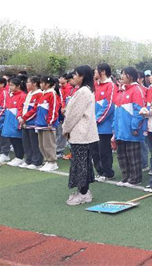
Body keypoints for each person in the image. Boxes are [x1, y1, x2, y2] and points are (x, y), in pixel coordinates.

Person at [62, 65, 100, 206]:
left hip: (80, 133)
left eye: (75, 74)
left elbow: (74, 115)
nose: (73, 77)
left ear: (82, 76)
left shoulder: (83, 92)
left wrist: (65, 129)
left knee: (80, 164)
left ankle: (83, 193)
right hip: (83, 133)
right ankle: (84, 191)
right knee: (83, 163)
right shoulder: (85, 90)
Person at [113, 67, 145, 187]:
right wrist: (114, 128)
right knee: (122, 155)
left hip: (131, 130)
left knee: (133, 155)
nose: (121, 76)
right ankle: (126, 177)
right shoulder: (121, 91)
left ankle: (135, 178)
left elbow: (139, 111)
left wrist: (134, 127)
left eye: (124, 74)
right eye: (121, 74)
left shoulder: (136, 90)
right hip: (120, 129)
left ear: (131, 76)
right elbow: (116, 112)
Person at [92, 63, 116, 181]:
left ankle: (108, 172)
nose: (94, 73)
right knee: (94, 151)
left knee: (104, 151)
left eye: (96, 71)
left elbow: (109, 106)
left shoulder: (111, 86)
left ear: (103, 72)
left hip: (104, 126)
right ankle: (100, 171)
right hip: (94, 125)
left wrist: (96, 120)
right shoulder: (96, 85)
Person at [36, 76, 61, 171]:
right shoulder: (43, 94)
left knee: (49, 144)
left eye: (42, 83)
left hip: (48, 124)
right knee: (42, 144)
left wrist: (50, 122)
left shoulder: (52, 94)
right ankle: (47, 160)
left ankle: (52, 162)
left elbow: (53, 109)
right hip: (41, 124)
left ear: (48, 84)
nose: (40, 84)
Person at [19, 76, 44, 169]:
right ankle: (28, 159)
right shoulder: (29, 93)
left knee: (34, 143)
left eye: (29, 82)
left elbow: (35, 109)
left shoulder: (39, 94)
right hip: (24, 122)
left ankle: (37, 161)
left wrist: (24, 118)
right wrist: (20, 117)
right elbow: (22, 107)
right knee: (26, 142)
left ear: (34, 84)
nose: (27, 84)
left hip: (33, 122)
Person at [4, 77, 27, 166]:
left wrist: (19, 119)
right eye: (9, 85)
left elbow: (20, 108)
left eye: (12, 85)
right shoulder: (10, 95)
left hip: (16, 119)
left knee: (18, 139)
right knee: (12, 138)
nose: (10, 87)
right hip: (9, 119)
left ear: (18, 86)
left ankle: (20, 157)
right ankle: (17, 157)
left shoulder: (22, 95)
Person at [0, 77, 12, 164]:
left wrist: (0, 116)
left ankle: (5, 153)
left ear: (2, 84)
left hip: (2, 117)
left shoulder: (4, 93)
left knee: (3, 135)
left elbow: (4, 107)